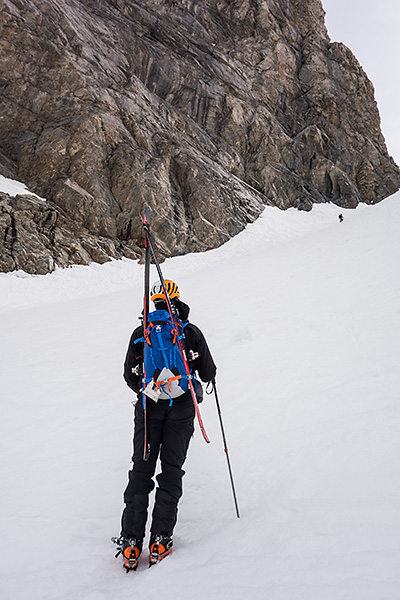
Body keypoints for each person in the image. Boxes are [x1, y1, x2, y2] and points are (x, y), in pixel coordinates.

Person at [114, 279, 216, 571]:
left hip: (148, 407)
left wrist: (148, 388)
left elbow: (129, 375)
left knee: (142, 470)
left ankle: (131, 541)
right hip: (182, 408)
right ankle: (160, 539)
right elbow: (208, 372)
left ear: (154, 301)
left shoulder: (141, 332)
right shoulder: (189, 331)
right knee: (171, 470)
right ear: (177, 299)